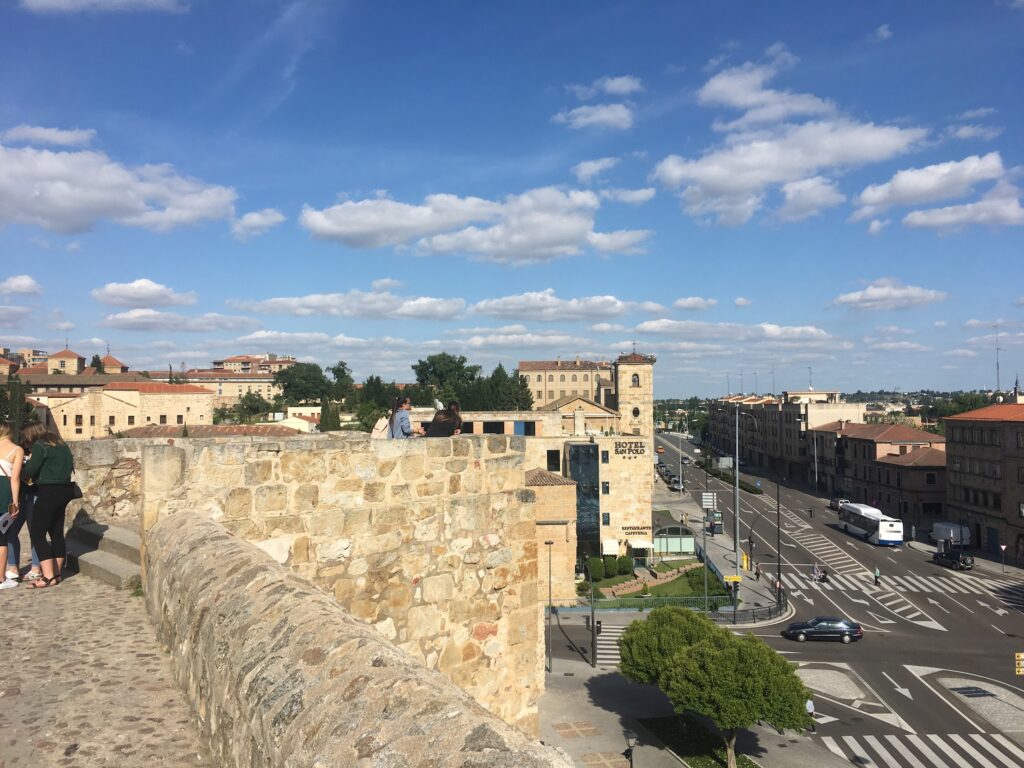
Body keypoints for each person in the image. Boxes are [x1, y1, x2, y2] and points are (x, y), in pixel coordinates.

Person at [21, 423, 76, 589]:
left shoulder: (40, 445)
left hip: (48, 492)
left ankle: (48, 577)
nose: (25, 441)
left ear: (31, 434)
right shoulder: (60, 443)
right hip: (65, 490)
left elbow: (31, 469)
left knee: (37, 534)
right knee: (56, 533)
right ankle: (57, 574)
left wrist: (19, 470)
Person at [0, 423, 25, 590]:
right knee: (2, 537)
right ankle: (1, 578)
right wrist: (15, 502)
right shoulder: (17, 450)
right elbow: (15, 478)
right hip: (3, 492)